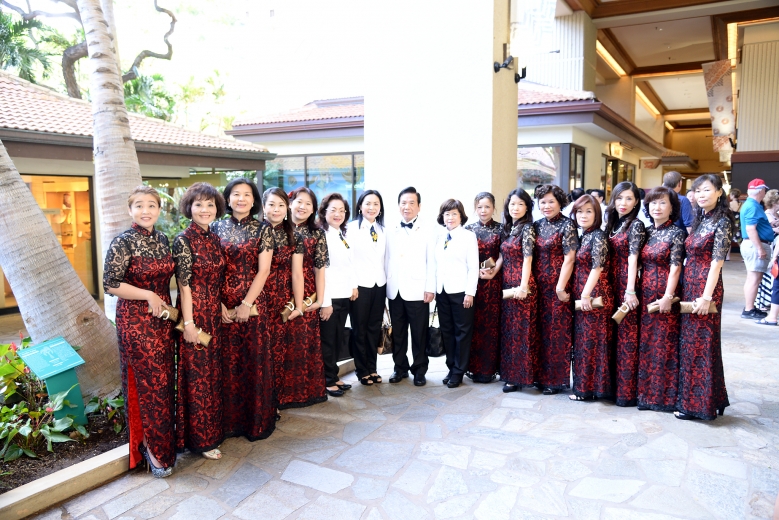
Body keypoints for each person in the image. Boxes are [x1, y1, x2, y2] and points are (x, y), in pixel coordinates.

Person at [103, 186, 176, 477]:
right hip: (135, 321)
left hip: (162, 319)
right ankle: (150, 447)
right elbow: (110, 284)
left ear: (159, 209)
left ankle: (163, 443)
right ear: (130, 210)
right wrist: (148, 294)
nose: (146, 211)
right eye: (139, 206)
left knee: (164, 381)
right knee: (148, 383)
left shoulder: (163, 239)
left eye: (151, 205)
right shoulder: (122, 242)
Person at [212, 178, 275, 441]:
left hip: (254, 304)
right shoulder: (215, 227)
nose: (241, 199)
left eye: (247, 194)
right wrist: (218, 303)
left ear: (254, 200)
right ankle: (228, 424)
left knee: (253, 361)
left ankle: (255, 423)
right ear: (227, 198)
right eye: (236, 194)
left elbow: (264, 270)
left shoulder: (263, 229)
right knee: (226, 363)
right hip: (221, 306)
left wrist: (246, 304)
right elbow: (208, 269)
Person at [173, 182, 226, 459]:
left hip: (214, 314)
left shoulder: (214, 238)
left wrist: (222, 306)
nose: (205, 209)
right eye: (198, 204)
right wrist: (189, 324)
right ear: (189, 208)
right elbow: (184, 287)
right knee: (197, 378)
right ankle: (201, 440)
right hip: (194, 314)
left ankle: (213, 431)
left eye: (210, 204)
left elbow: (215, 280)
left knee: (212, 375)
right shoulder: (184, 240)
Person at [676, 174, 733, 421]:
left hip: (706, 288)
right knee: (694, 344)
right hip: (691, 284)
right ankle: (711, 399)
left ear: (719, 192)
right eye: (697, 190)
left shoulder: (722, 221)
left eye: (707, 190)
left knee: (701, 345)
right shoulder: (702, 218)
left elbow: (717, 262)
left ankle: (698, 406)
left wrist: (707, 297)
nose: (701, 195)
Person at [637, 186, 684, 411]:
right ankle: (647, 395)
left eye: (663, 202)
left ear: (672, 208)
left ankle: (664, 398)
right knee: (648, 344)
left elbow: (676, 268)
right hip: (645, 292)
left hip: (664, 294)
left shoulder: (676, 233)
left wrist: (668, 296)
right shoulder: (647, 231)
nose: (657, 207)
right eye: (653, 203)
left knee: (664, 345)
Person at [386, 187, 435, 387]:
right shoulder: (390, 229)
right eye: (403, 203)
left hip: (418, 290)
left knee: (419, 333)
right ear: (399, 206)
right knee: (398, 333)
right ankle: (400, 367)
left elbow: (431, 261)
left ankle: (420, 370)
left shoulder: (428, 229)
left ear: (419, 206)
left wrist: (430, 288)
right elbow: (387, 258)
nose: (407, 207)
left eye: (411, 203)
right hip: (395, 289)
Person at [261, 187, 305, 409]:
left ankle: (274, 403)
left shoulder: (294, 236)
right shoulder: (255, 232)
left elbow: (297, 274)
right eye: (271, 205)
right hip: (256, 299)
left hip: (281, 301)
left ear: (287, 208)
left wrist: (299, 305)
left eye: (280, 205)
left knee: (277, 352)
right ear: (263, 207)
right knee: (258, 353)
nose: (276, 210)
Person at [285, 187, 329, 408]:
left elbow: (320, 269)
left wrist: (320, 300)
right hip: (278, 291)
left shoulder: (317, 233)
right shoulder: (274, 228)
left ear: (313, 210)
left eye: (308, 204)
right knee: (280, 345)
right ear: (290, 204)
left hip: (307, 295)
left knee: (303, 344)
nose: (302, 207)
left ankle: (303, 393)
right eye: (299, 202)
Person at [533, 185, 578, 395]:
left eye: (551, 201)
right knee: (540, 331)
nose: (547, 206)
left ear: (560, 203)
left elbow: (570, 258)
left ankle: (555, 380)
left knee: (557, 332)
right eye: (542, 202)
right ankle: (539, 376)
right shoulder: (537, 225)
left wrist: (560, 287)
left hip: (558, 286)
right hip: (538, 286)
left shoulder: (567, 225)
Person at [605, 182, 645, 407]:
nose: (623, 203)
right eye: (619, 198)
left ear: (636, 201)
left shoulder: (636, 225)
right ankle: (610, 387)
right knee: (612, 335)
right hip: (609, 282)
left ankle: (626, 392)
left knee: (626, 336)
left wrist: (630, 290)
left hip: (625, 282)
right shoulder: (613, 223)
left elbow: (633, 259)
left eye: (629, 198)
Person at [569, 195, 613, 402]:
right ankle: (586, 388)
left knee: (592, 343)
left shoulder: (598, 236)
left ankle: (589, 390)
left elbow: (597, 267)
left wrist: (586, 294)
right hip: (584, 294)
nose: (583, 215)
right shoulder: (584, 235)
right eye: (579, 211)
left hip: (595, 294)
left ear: (597, 214)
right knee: (585, 342)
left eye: (589, 211)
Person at [432, 199, 479, 388]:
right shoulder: (440, 236)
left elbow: (473, 267)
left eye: (454, 214)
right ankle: (451, 367)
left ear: (461, 216)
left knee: (462, 333)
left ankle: (459, 371)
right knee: (447, 332)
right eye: (447, 214)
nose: (450, 217)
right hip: (442, 291)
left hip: (461, 292)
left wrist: (470, 293)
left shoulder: (468, 236)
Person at [499, 189, 538, 393]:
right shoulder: (509, 228)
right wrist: (491, 270)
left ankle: (518, 378)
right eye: (512, 204)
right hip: (507, 283)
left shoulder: (527, 228)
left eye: (520, 204)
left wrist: (524, 286)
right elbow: (502, 256)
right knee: (511, 331)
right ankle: (510, 373)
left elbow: (528, 258)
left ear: (527, 207)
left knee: (521, 332)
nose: (515, 208)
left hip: (521, 285)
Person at [347, 190, 387, 386]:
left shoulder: (382, 230)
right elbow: (349, 260)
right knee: (359, 329)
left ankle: (372, 368)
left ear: (380, 208)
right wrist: (352, 285)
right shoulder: (351, 229)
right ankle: (361, 370)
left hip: (379, 285)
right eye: (368, 203)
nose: (372, 208)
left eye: (376, 204)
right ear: (360, 206)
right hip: (359, 287)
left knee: (374, 328)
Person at [318, 193, 357, 395]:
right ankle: (327, 379)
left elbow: (349, 265)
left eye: (342, 210)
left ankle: (333, 375)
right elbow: (322, 271)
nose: (338, 214)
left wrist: (353, 287)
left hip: (343, 295)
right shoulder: (322, 235)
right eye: (333, 209)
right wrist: (325, 302)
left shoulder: (342, 234)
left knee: (337, 338)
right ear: (324, 211)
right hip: (330, 297)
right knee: (327, 340)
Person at [464, 192, 503, 383]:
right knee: (474, 325)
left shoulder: (501, 229)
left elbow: (504, 254)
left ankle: (489, 369)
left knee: (491, 326)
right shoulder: (468, 229)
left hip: (493, 283)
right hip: (473, 283)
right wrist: (475, 271)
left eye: (487, 206)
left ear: (494, 208)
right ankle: (473, 368)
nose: (483, 210)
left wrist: (492, 270)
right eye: (479, 207)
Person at [740, 178, 772, 320]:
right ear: (761, 191)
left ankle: (750, 307)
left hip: (752, 244)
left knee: (752, 278)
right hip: (755, 245)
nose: (765, 192)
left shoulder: (750, 205)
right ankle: (749, 309)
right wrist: (760, 248)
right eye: (764, 190)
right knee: (754, 278)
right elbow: (751, 229)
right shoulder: (753, 206)